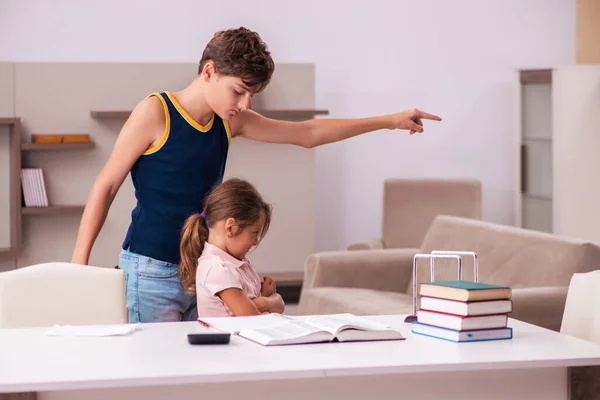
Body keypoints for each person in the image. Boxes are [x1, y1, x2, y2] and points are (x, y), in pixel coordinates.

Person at [71, 26, 442, 323]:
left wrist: (389, 121)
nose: (245, 104)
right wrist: (78, 268)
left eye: (251, 95)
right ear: (209, 71)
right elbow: (106, 187)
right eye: (239, 91)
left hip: (205, 272)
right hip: (150, 274)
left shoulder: (229, 122)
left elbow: (308, 134)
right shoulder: (155, 113)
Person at [179, 178, 283, 317]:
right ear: (231, 228)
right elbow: (252, 319)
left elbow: (280, 304)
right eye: (254, 233)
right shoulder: (219, 269)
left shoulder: (236, 264)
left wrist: (261, 300)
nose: (255, 242)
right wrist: (267, 301)